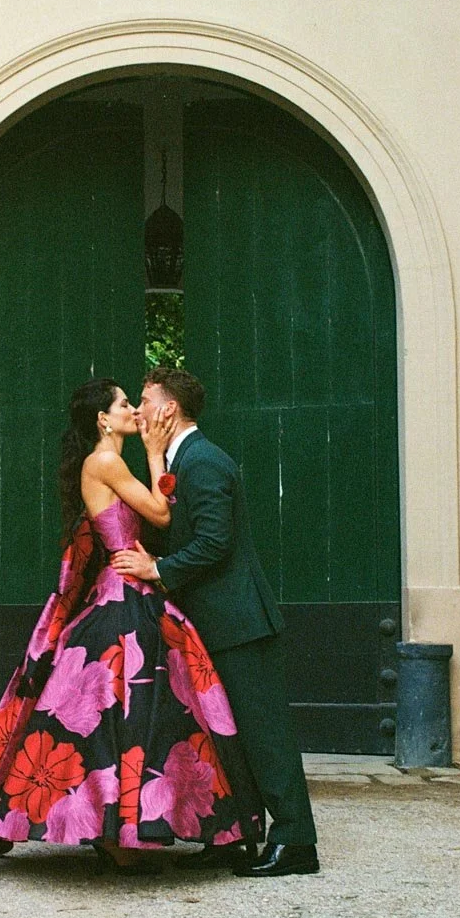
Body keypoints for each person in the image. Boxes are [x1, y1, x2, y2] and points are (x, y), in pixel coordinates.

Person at [0, 378, 262, 887]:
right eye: (124, 405)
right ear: (102, 419)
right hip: (122, 600)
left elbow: (153, 525)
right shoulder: (106, 462)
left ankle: (123, 832)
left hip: (131, 592)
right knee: (118, 715)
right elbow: (161, 513)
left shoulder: (113, 464)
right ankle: (116, 835)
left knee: (132, 716)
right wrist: (158, 453)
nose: (134, 412)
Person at [111, 367, 319, 878]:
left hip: (239, 624)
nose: (137, 410)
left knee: (263, 735)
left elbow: (213, 543)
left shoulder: (204, 462)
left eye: (144, 400)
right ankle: (239, 838)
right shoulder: (179, 461)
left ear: (167, 410)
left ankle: (296, 844)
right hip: (211, 624)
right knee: (225, 737)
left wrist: (155, 569)